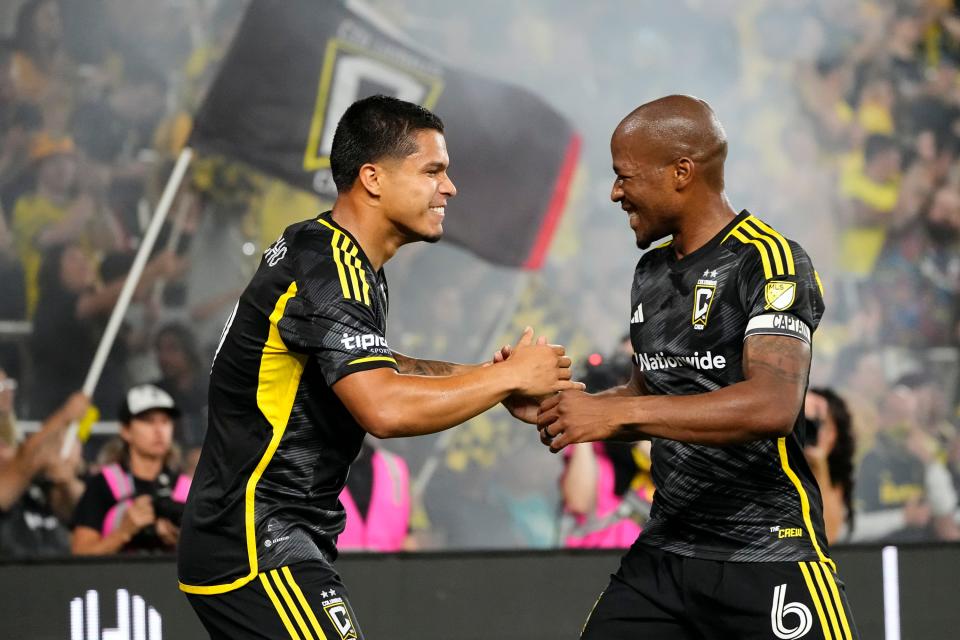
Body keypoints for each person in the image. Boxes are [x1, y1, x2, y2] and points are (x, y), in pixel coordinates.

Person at [177, 95, 580, 639]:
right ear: (372, 177)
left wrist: (485, 380)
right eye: (432, 170)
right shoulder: (332, 264)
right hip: (257, 539)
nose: (450, 187)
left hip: (259, 536)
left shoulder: (332, 254)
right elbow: (382, 407)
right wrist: (506, 377)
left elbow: (382, 365)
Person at [536, 95, 859, 639]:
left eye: (625, 176)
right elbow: (649, 390)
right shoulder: (650, 272)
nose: (615, 192)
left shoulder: (769, 260)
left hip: (768, 553)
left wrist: (617, 415)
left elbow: (773, 405)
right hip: (665, 553)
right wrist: (567, 406)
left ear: (681, 172)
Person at [71, 383, 190, 554]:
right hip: (119, 580)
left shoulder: (187, 488)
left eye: (165, 421)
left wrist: (183, 539)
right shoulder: (103, 485)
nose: (159, 430)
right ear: (126, 431)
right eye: (148, 421)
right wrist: (123, 533)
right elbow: (80, 555)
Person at [0, 373, 87, 558]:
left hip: (55, 571)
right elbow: (23, 461)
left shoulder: (34, 478)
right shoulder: (21, 467)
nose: (6, 392)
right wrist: (65, 416)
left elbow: (77, 510)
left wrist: (66, 481)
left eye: (8, 384)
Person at [803, 387, 857, 544]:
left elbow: (828, 535)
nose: (808, 430)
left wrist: (820, 467)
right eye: (802, 422)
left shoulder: (837, 479)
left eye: (817, 423)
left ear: (834, 434)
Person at [337, 440, 410, 552]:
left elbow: (408, 531)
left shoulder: (395, 467)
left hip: (386, 564)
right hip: (333, 564)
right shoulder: (316, 466)